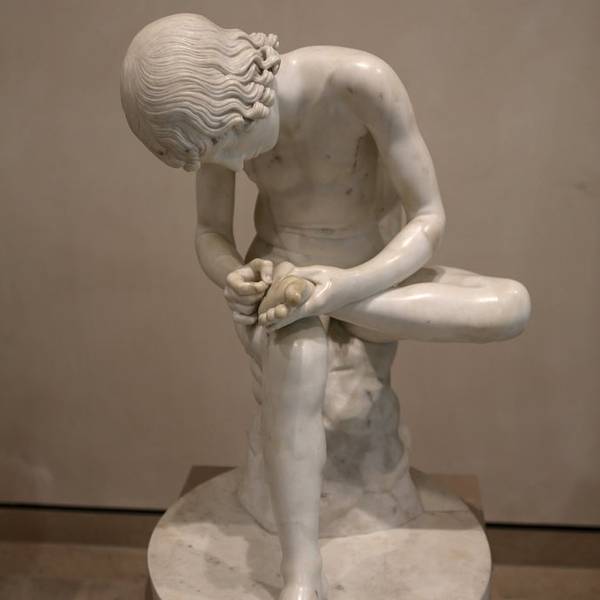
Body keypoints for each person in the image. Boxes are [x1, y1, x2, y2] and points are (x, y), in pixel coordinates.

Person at [121, 13, 530, 600]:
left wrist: (344, 288)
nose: (228, 165)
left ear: (242, 95)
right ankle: (301, 572)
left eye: (225, 145)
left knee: (509, 306)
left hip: (377, 279)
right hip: (283, 284)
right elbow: (211, 233)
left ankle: (342, 307)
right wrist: (234, 274)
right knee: (302, 355)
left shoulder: (359, 83)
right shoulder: (216, 135)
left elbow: (428, 218)